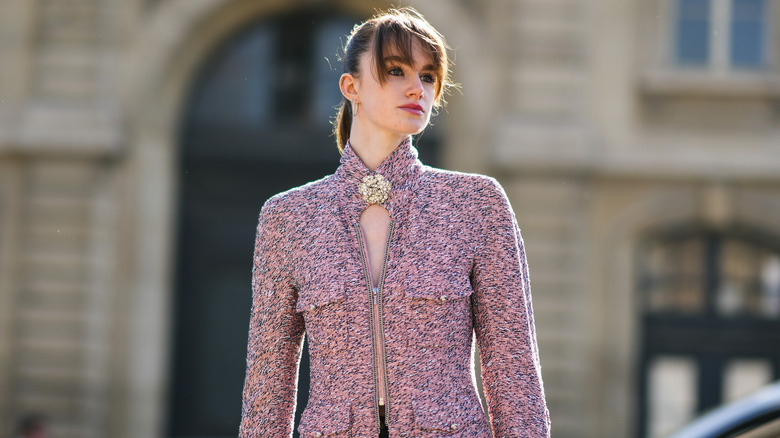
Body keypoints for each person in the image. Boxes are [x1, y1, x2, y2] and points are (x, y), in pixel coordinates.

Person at [239, 7, 550, 438]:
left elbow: (514, 372)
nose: (416, 88)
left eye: (427, 76)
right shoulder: (289, 217)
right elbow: (266, 388)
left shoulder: (475, 204)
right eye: (396, 70)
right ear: (351, 86)